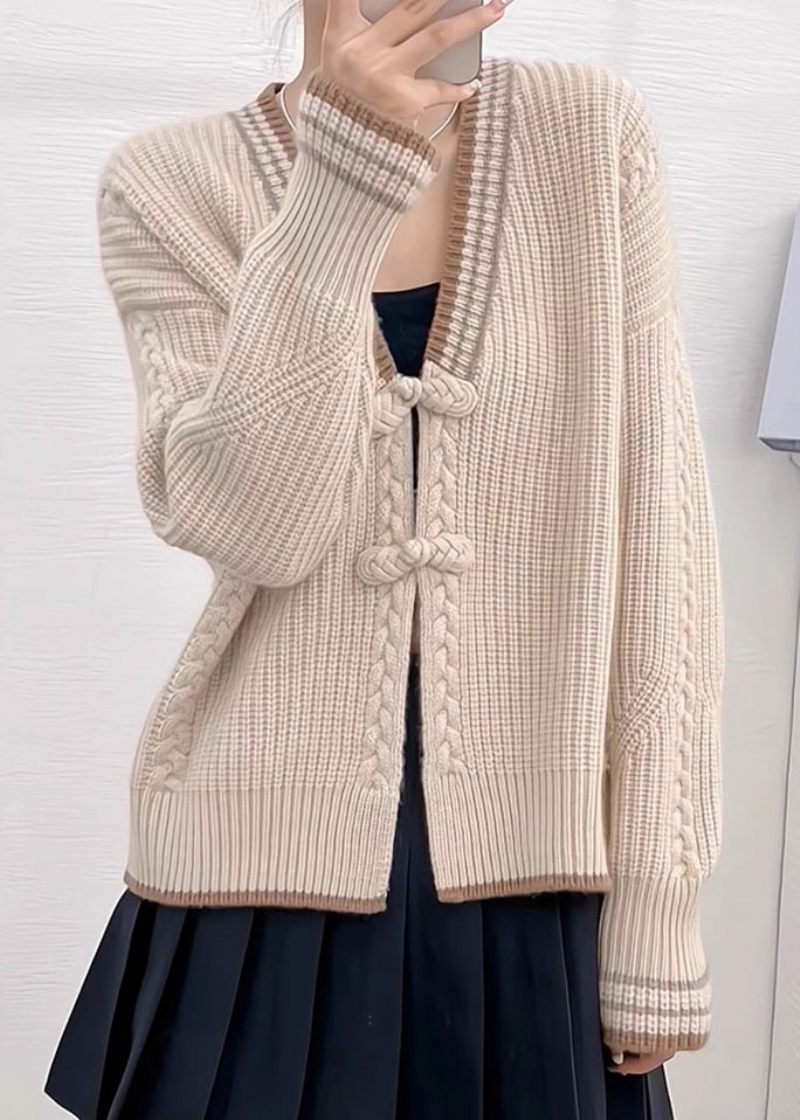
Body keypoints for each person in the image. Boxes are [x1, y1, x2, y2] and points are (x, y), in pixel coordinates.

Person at [43, 0, 725, 1115]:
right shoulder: (168, 183)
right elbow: (255, 525)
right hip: (258, 889)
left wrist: (659, 906)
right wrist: (337, 183)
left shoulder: (590, 136)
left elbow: (663, 540)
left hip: (540, 890)